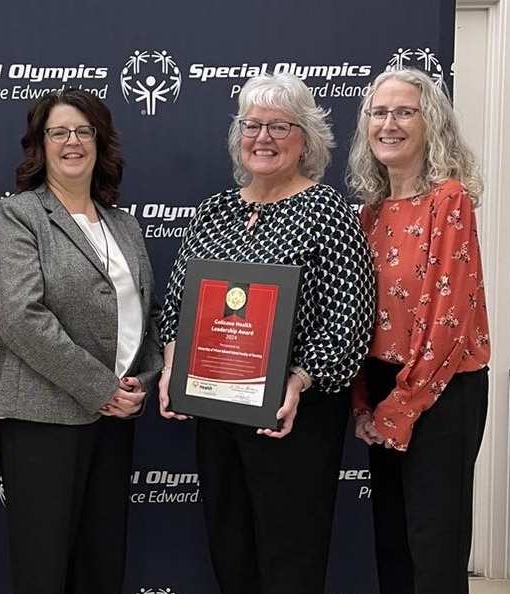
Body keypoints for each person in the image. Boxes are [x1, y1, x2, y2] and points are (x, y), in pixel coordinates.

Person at [157, 73, 375, 594]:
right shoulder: (216, 211)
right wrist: (172, 367)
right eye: (252, 125)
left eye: (280, 126)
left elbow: (349, 319)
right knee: (230, 550)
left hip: (290, 415)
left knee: (290, 557)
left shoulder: (328, 214)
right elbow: (177, 306)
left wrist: (296, 381)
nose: (263, 138)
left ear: (307, 140)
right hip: (216, 407)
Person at [0, 89, 163, 594]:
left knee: (102, 564)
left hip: (116, 416)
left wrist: (140, 383)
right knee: (44, 570)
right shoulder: (18, 216)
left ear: (100, 142)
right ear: (40, 144)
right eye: (58, 132)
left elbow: (145, 316)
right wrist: (100, 386)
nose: (72, 142)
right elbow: (21, 317)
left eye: (84, 131)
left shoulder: (123, 224)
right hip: (44, 416)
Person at [347, 68, 490, 594]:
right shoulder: (369, 212)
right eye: (379, 112)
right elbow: (360, 318)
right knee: (393, 539)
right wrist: (364, 402)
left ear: (430, 123)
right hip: (385, 386)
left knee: (434, 543)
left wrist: (400, 407)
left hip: (442, 388)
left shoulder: (448, 200)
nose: (389, 123)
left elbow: (447, 323)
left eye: (404, 111)